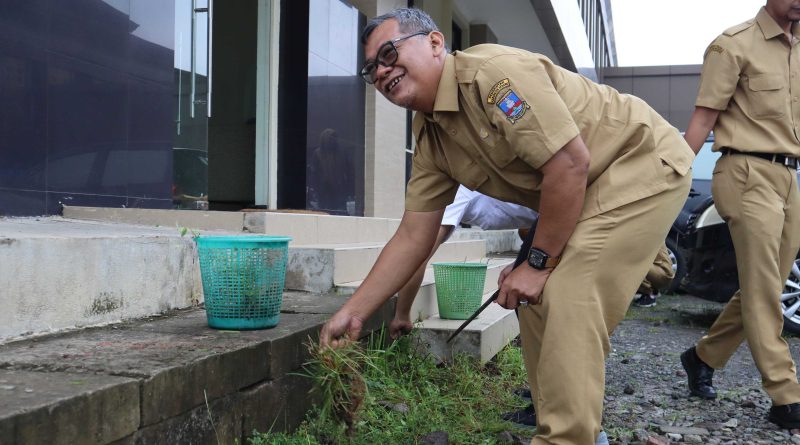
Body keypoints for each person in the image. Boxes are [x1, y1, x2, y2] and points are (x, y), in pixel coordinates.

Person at [319, 8, 693, 444]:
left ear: (435, 43)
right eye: (371, 69)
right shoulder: (431, 135)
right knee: (533, 302)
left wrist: (536, 263)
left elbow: (568, 163)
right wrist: (353, 311)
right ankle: (564, 422)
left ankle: (569, 437)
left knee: (569, 292)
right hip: (580, 191)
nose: (382, 72)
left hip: (639, 160)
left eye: (388, 54)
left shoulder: (491, 78)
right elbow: (414, 235)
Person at [679, 0, 800, 429]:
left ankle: (702, 356)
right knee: (766, 288)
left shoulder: (798, 47)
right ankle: (786, 396)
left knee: (765, 282)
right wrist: (669, 175)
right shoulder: (733, 45)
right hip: (745, 172)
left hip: (789, 177)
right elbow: (704, 116)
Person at [389, 184, 539, 339]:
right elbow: (528, 230)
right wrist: (521, 259)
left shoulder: (453, 191)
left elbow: (418, 256)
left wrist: (402, 314)